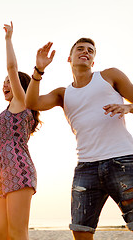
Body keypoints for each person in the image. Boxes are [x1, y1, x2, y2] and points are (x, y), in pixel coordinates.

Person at [25, 38, 133, 239]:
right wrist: (38, 70)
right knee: (80, 230)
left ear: (93, 61)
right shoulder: (63, 94)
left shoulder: (110, 76)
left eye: (90, 50)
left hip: (124, 160)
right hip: (86, 167)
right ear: (69, 58)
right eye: (80, 49)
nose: (86, 51)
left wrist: (128, 107)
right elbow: (31, 102)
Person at [0, 22, 41, 240]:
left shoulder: (22, 103)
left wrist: (8, 39)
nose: (5, 85)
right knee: (1, 234)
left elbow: (12, 68)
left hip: (19, 170)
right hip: (2, 173)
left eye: (9, 82)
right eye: (3, 83)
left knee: (17, 234)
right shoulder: (5, 113)